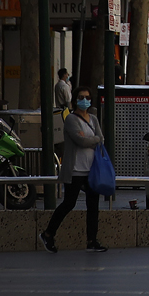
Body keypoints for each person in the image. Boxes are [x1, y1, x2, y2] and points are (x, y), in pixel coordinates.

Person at [40, 87, 107, 253]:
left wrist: (92, 139)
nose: (84, 100)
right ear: (75, 100)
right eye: (81, 97)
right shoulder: (71, 119)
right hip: (75, 169)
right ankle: (48, 234)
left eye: (87, 97)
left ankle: (92, 240)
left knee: (93, 205)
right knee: (69, 203)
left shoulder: (93, 119)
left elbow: (101, 138)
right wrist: (93, 139)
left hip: (91, 170)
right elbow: (80, 141)